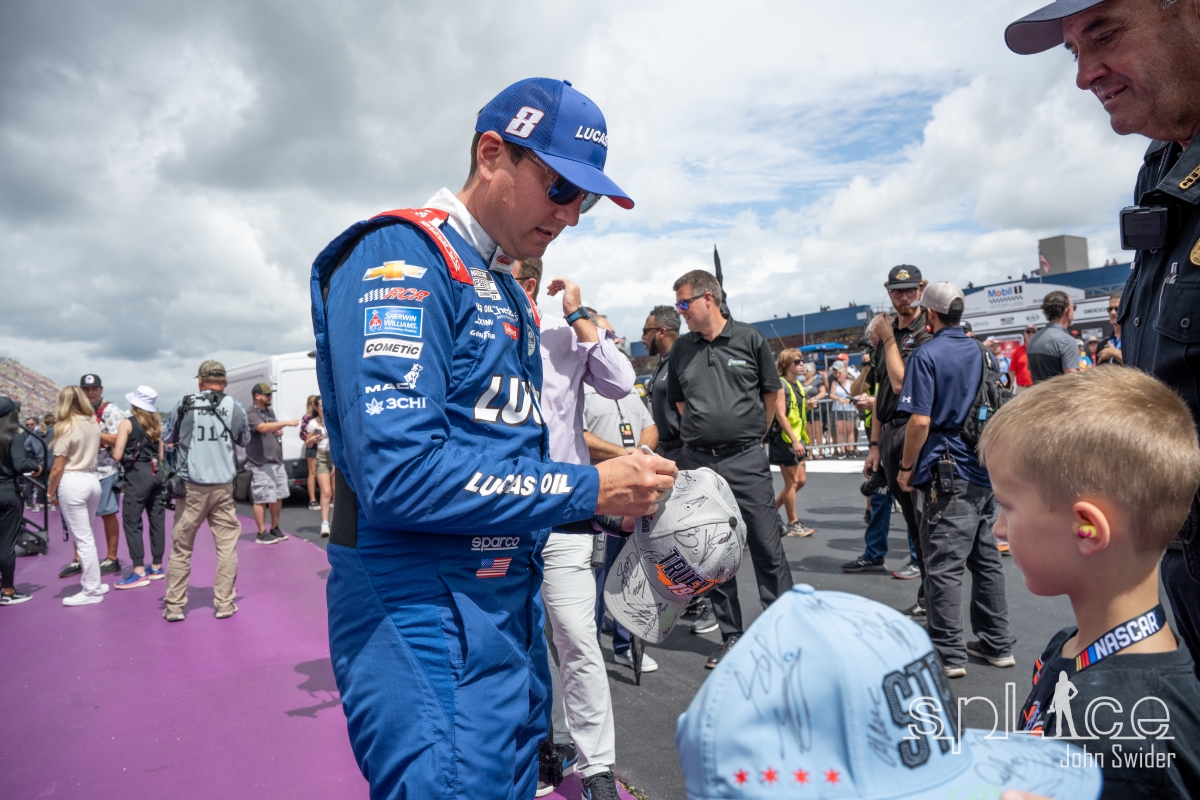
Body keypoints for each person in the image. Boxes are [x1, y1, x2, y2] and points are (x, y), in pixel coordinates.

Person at [309, 77, 675, 800]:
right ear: (490, 154)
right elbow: (400, 473)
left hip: (502, 611)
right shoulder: (402, 255)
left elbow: (503, 454)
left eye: (587, 200)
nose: (571, 215)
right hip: (424, 614)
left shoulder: (501, 282)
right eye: (560, 186)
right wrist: (590, 486)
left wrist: (612, 498)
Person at [980, 367, 1200, 796]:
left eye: (1007, 506)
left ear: (1087, 529)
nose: (998, 529)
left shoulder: (1121, 733)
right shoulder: (1068, 645)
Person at [512, 259, 636, 796]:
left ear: (530, 283)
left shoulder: (566, 335)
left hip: (562, 515)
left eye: (503, 274)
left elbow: (622, 382)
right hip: (498, 515)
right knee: (516, 644)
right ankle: (539, 748)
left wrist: (579, 313)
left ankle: (597, 769)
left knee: (578, 641)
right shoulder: (471, 332)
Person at [668, 268, 794, 669]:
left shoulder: (750, 339)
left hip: (745, 459)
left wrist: (755, 435)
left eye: (684, 302)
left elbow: (773, 393)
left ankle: (784, 634)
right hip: (701, 464)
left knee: (766, 546)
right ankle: (732, 636)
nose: (680, 311)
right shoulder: (682, 349)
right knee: (713, 553)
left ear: (709, 299)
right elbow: (680, 403)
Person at [896, 282, 1014, 678]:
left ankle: (947, 653)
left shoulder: (925, 355)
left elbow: (920, 420)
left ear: (929, 315)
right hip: (982, 466)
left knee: (943, 564)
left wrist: (907, 468)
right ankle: (997, 643)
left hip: (946, 470)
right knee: (985, 559)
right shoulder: (982, 351)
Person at [581, 320, 660, 674]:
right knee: (594, 577)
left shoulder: (630, 387)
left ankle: (625, 645)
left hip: (632, 498)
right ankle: (591, 647)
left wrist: (641, 452)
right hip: (598, 492)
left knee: (631, 572)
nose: (614, 340)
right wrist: (621, 457)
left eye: (614, 336)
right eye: (606, 335)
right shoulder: (579, 386)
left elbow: (650, 425)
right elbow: (578, 436)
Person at [161, 360, 252, 621]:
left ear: (200, 380)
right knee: (226, 547)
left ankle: (175, 607)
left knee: (181, 548)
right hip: (223, 486)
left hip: (190, 487)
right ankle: (224, 603)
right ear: (224, 382)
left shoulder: (185, 404)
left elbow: (167, 436)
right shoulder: (234, 407)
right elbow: (244, 439)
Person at [862, 265, 933, 595]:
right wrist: (874, 445)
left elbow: (901, 382)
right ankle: (927, 596)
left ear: (922, 290)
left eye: (910, 290)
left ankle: (930, 597)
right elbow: (880, 395)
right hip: (890, 434)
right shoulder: (887, 339)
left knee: (926, 523)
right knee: (912, 521)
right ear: (888, 292)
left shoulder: (926, 331)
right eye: (896, 291)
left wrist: (889, 339)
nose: (903, 297)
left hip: (914, 432)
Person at [58, 374, 124, 579]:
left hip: (105, 470)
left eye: (94, 388)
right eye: (86, 389)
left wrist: (92, 431)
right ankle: (79, 559)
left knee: (107, 513)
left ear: (101, 389)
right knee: (78, 518)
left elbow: (118, 439)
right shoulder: (75, 411)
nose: (90, 393)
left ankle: (111, 558)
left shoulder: (111, 410)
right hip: (80, 470)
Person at [47, 386, 107, 606]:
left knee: (83, 540)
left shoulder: (65, 427)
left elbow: (57, 468)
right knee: (87, 536)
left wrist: (50, 491)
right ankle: (95, 583)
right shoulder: (91, 422)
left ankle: (92, 591)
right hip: (92, 480)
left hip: (73, 482)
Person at [111, 386, 167, 589]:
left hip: (137, 475)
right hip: (157, 472)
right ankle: (157, 566)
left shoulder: (127, 423)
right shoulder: (157, 424)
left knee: (132, 521)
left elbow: (117, 455)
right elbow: (161, 456)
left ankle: (138, 570)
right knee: (157, 520)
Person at [245, 383, 298, 545]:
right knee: (261, 497)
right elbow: (262, 428)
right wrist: (284, 424)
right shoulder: (251, 413)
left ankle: (275, 528)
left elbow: (271, 427)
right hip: (260, 462)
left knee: (278, 496)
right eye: (267, 395)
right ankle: (261, 532)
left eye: (270, 394)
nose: (270, 397)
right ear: (257, 396)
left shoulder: (269, 411)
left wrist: (277, 430)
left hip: (276, 460)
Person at [768, 349, 813, 537]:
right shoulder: (781, 385)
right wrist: (795, 441)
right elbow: (780, 414)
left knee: (800, 481)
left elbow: (794, 411)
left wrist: (809, 405)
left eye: (802, 361)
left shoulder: (798, 386)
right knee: (792, 482)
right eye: (797, 361)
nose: (802, 364)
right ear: (786, 364)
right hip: (786, 440)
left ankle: (770, 512)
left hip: (797, 438)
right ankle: (793, 523)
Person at [0, 397, 38, 605]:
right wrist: (36, 465)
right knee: (6, 545)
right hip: (7, 494)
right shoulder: (13, 437)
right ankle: (8, 590)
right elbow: (20, 464)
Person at [640, 304, 682, 460]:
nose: (643, 337)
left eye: (646, 331)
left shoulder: (683, 360)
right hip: (664, 451)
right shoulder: (663, 362)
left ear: (661, 332)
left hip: (682, 451)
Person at [1026, 291, 1079, 383]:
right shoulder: (1067, 341)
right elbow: (1073, 380)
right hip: (1060, 396)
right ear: (1067, 311)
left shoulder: (1033, 339)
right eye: (1074, 308)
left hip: (1037, 396)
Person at [305, 396, 334, 537]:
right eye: (320, 406)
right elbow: (308, 444)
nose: (323, 408)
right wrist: (313, 439)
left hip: (334, 457)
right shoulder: (312, 423)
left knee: (336, 492)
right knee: (326, 492)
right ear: (316, 408)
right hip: (321, 456)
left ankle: (337, 523)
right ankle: (324, 523)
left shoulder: (333, 419)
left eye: (325, 405)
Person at [827, 361, 857, 456]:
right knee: (840, 431)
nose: (837, 375)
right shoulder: (834, 383)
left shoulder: (851, 382)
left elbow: (855, 392)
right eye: (837, 373)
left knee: (850, 430)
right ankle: (842, 450)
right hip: (838, 409)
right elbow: (831, 395)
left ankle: (851, 449)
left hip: (849, 409)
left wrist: (849, 399)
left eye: (840, 373)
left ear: (845, 374)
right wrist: (839, 399)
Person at [22, 415, 48, 511]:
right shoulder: (24, 435)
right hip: (29, 461)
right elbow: (25, 448)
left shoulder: (40, 434)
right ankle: (29, 502)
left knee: (42, 481)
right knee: (29, 481)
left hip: (39, 461)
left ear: (36, 424)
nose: (29, 426)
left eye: (31, 424)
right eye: (27, 425)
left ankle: (41, 501)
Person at [300, 394, 321, 511]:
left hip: (323, 446)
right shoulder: (307, 418)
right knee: (312, 473)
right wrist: (312, 438)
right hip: (312, 447)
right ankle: (312, 499)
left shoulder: (320, 416)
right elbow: (302, 434)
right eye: (313, 403)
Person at [800, 362, 825, 458]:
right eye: (803, 370)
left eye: (807, 370)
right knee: (808, 432)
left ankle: (820, 452)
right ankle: (810, 453)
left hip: (816, 409)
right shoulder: (800, 383)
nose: (804, 372)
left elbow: (822, 392)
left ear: (812, 371)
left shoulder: (817, 381)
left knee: (818, 431)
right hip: (806, 409)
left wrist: (814, 399)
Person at [1010, 325, 1035, 393]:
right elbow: (1012, 372)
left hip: (1037, 387)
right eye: (1028, 332)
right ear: (1024, 334)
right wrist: (1008, 388)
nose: (1031, 334)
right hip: (1022, 389)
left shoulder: (1041, 350)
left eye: (1033, 332)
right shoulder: (1017, 351)